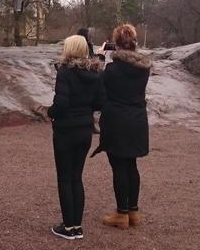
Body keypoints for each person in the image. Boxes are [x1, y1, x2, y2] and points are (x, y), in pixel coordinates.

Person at [48, 35, 104, 240]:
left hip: (65, 130)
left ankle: (68, 226)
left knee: (64, 178)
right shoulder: (95, 73)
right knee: (76, 177)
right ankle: (77, 226)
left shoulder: (65, 72)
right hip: (84, 129)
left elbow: (61, 104)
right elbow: (100, 103)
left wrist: (50, 112)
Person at [97, 24, 150, 231]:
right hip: (137, 119)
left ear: (116, 44)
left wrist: (101, 57)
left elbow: (99, 87)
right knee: (132, 165)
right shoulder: (144, 68)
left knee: (118, 166)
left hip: (116, 120)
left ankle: (122, 213)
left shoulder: (112, 69)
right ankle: (134, 211)